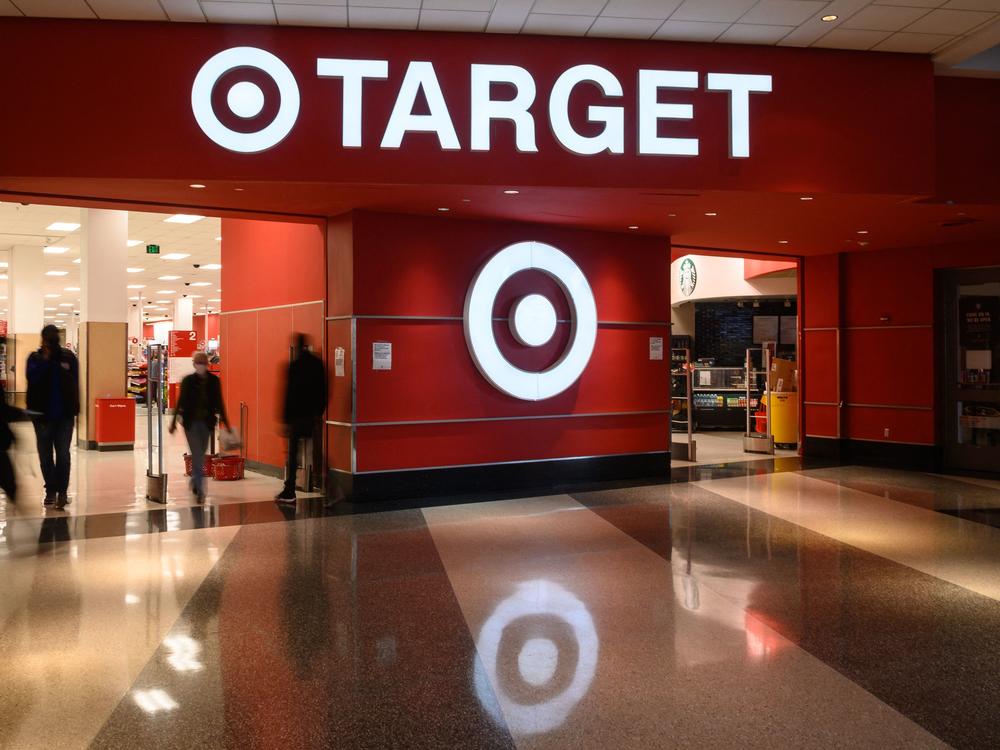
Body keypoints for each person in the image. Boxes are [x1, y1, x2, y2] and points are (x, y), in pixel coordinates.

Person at [26, 325, 79, 510]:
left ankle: (62, 492)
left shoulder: (68, 357)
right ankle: (51, 489)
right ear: (42, 340)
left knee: (63, 455)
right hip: (42, 417)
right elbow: (32, 377)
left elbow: (75, 383)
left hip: (64, 416)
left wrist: (75, 409)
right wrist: (46, 359)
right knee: (45, 456)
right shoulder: (35, 359)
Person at [169, 351, 229, 504]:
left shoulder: (214, 381)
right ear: (194, 364)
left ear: (207, 364)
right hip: (190, 424)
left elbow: (219, 402)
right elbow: (180, 402)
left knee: (200, 454)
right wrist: (173, 422)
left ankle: (195, 481)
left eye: (203, 362)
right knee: (198, 455)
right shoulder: (188, 381)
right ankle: (201, 491)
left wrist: (226, 423)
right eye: (198, 362)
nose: (201, 365)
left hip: (207, 424)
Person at [276, 333, 327, 503]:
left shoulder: (294, 365)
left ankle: (289, 490)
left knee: (293, 454)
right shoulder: (318, 364)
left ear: (296, 347)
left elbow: (288, 394)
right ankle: (332, 487)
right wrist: (319, 412)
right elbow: (324, 390)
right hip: (312, 416)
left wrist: (285, 419)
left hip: (296, 417)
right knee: (317, 452)